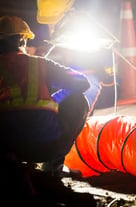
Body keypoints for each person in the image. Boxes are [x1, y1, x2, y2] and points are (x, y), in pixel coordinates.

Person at [0, 15, 90, 173]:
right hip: (45, 147)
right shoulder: (39, 64)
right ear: (22, 40)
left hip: (8, 148)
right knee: (79, 101)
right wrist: (53, 98)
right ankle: (53, 166)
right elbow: (83, 83)